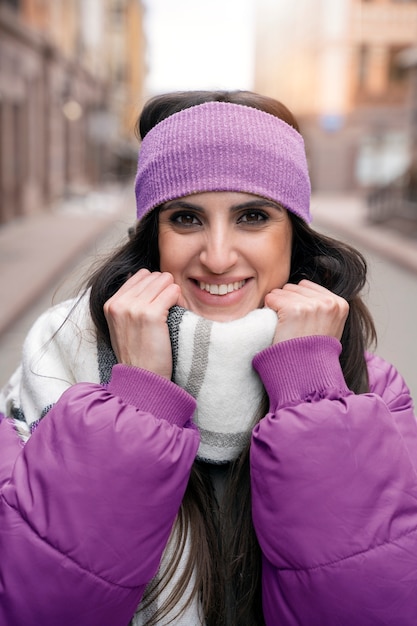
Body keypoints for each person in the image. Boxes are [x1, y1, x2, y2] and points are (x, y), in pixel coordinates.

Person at [0, 90, 417, 626]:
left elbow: (377, 608)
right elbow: (35, 608)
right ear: (154, 238)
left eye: (252, 216)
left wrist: (312, 395)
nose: (218, 257)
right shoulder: (52, 367)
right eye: (187, 218)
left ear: (294, 234)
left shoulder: (369, 393)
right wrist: (136, 405)